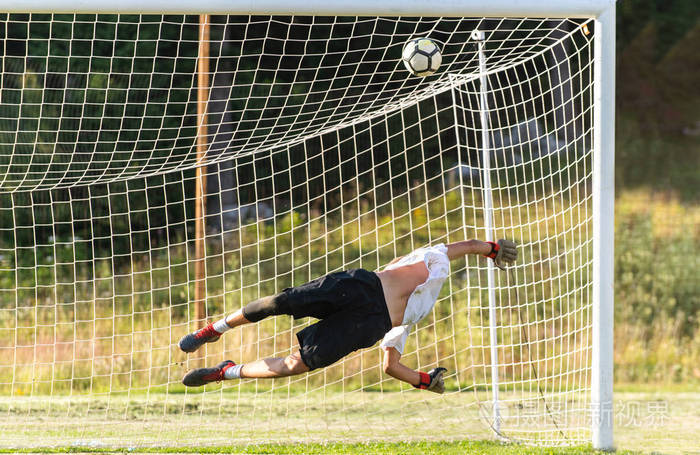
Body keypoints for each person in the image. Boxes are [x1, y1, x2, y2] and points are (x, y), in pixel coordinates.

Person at [179, 239, 517, 393]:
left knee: (299, 364)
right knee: (279, 303)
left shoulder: (413, 315)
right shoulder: (431, 260)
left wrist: (425, 381)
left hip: (370, 324)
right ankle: (214, 328)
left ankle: (227, 372)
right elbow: (462, 246)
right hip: (360, 287)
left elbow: (390, 366)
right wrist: (492, 249)